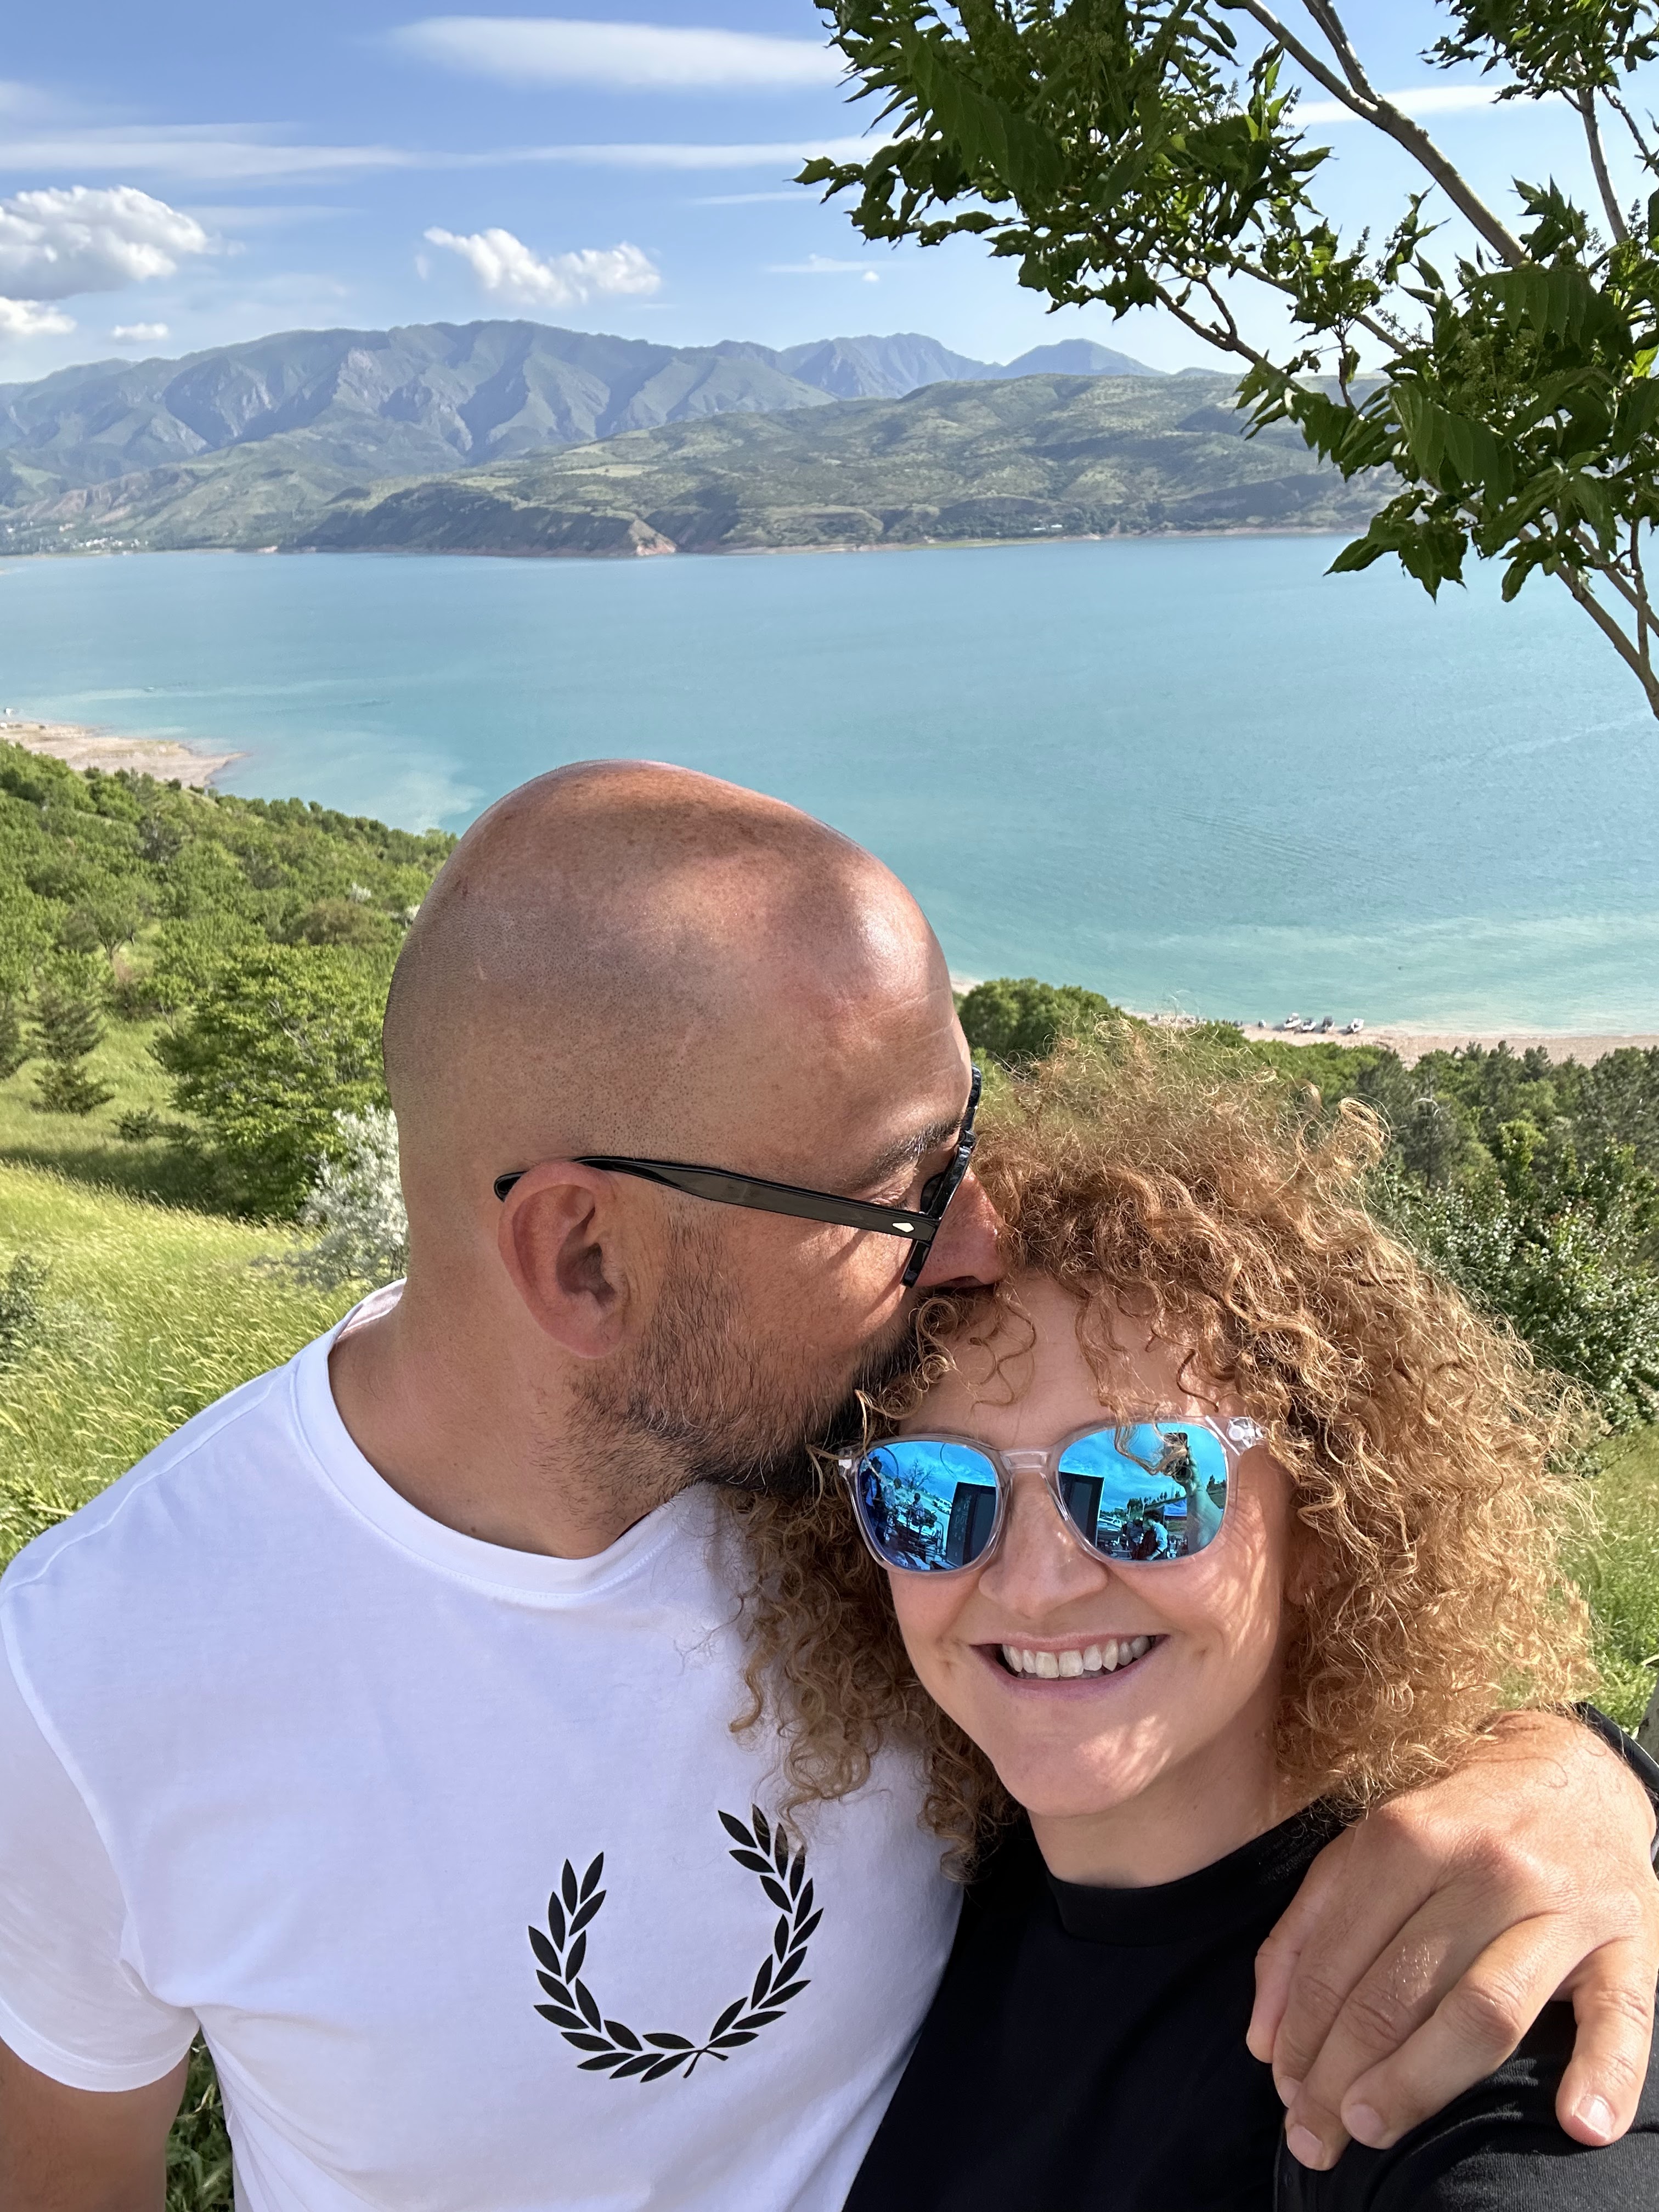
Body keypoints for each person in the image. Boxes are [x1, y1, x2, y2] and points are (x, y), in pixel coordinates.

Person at [0, 765, 1655, 2212]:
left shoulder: (846, 1467)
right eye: (904, 1189)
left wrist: (1589, 1776)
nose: (978, 1240)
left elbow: (1298, 1571)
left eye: (965, 1140)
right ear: (585, 1260)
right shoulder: (89, 1680)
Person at [757, 1041, 1659, 2209]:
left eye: (1145, 1482)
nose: (1033, 1584)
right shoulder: (914, 1887)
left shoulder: (1457, 2002)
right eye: (931, 1495)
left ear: (1325, 1522)